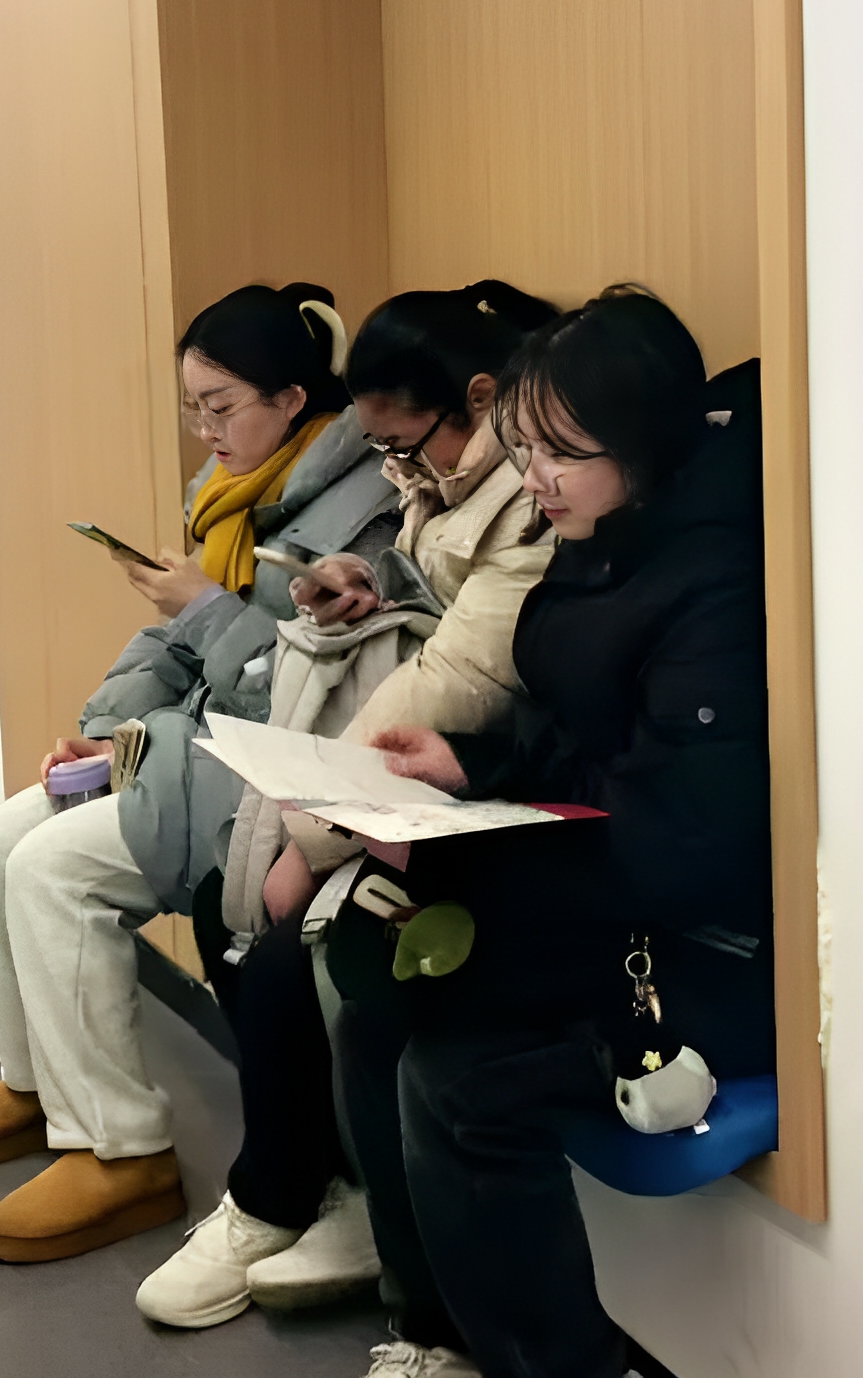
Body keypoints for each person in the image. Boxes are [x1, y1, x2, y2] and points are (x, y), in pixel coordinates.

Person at [340, 288, 774, 1378]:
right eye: (525, 446)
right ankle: (445, 1333)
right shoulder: (606, 533)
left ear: (646, 442)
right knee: (374, 997)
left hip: (700, 944)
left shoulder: (714, 583)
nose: (534, 477)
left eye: (562, 454)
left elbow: (685, 843)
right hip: (608, 885)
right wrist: (470, 769)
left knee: (458, 1077)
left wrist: (475, 857)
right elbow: (582, 746)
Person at [0, 283, 400, 1263]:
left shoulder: (361, 514)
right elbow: (176, 647)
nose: (206, 432)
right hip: (200, 747)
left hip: (271, 777)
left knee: (52, 871)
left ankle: (123, 1152)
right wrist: (108, 734)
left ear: (292, 399)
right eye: (193, 409)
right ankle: (39, 1085)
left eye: (220, 406)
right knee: (1, 838)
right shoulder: (232, 493)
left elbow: (305, 686)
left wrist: (203, 609)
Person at [130, 280, 561, 1330]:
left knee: (297, 948)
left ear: (481, 400)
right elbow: (437, 626)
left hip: (486, 794)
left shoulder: (527, 507)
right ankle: (299, 1184)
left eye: (406, 447)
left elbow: (461, 676)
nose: (395, 469)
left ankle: (290, 1198)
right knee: (221, 901)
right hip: (422, 772)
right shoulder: (441, 484)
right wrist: (379, 597)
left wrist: (308, 837)